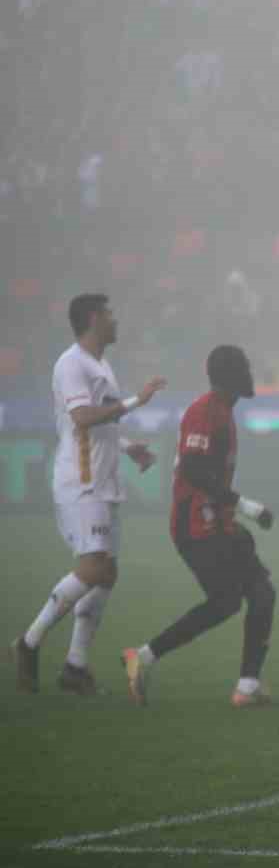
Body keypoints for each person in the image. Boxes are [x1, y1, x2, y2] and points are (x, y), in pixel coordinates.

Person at [13, 294, 164, 695]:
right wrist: (137, 401)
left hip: (104, 480)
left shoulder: (100, 365)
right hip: (81, 481)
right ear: (95, 319)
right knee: (94, 566)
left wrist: (130, 448)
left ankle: (75, 667)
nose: (116, 320)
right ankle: (28, 643)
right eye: (110, 314)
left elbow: (103, 424)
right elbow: (81, 418)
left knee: (106, 572)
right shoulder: (71, 363)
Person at [123, 347, 276, 707]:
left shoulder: (221, 410)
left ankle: (247, 687)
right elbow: (192, 469)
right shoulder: (207, 411)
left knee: (259, 594)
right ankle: (142, 658)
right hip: (195, 526)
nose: (251, 374)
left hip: (215, 524)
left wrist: (232, 519)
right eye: (246, 368)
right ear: (231, 376)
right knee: (228, 601)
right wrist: (246, 507)